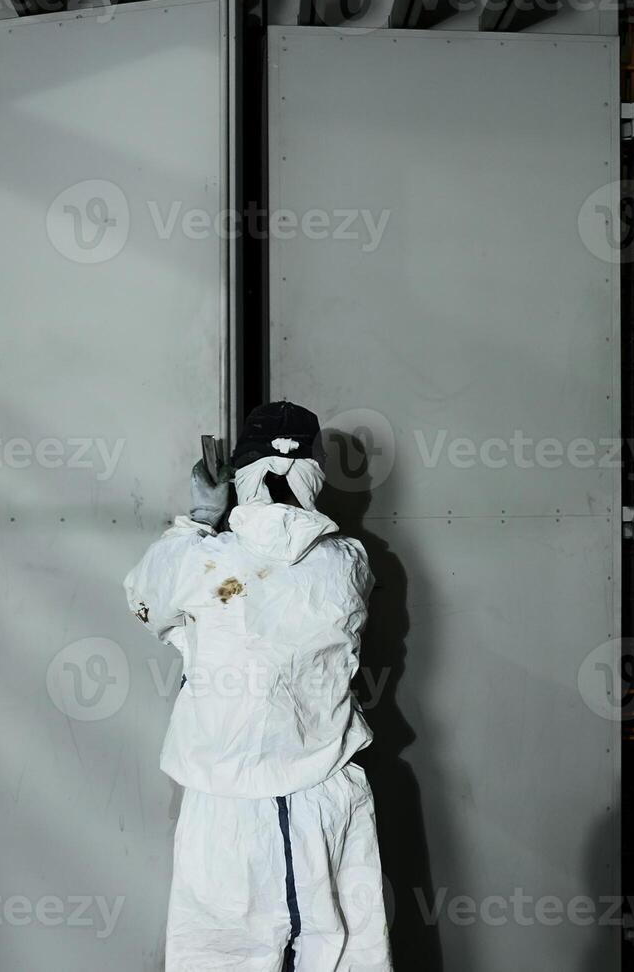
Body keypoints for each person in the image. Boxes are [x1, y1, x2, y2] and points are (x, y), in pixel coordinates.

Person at [124, 401, 393, 971]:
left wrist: (198, 519)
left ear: (240, 473)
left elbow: (146, 602)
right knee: (344, 955)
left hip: (224, 805)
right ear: (316, 473)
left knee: (217, 958)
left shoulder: (202, 563)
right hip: (326, 792)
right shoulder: (351, 564)